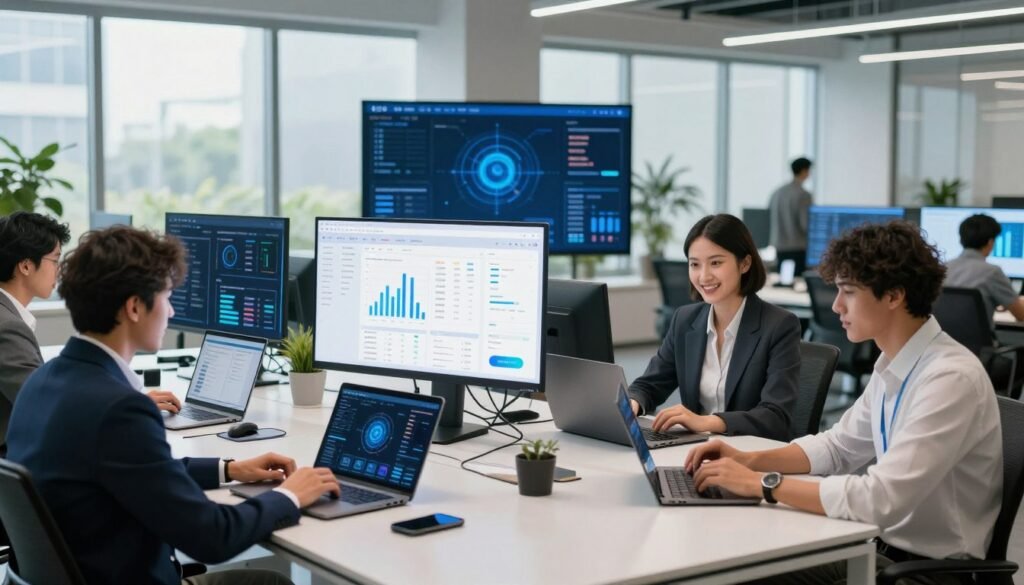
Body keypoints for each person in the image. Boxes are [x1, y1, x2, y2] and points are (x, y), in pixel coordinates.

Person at [6, 226, 341, 585]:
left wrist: (230, 469)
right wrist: (291, 495)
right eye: (166, 296)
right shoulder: (119, 410)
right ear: (134, 307)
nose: (171, 308)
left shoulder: (45, 380)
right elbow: (213, 538)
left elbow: (136, 469)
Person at [686, 221, 1002, 584]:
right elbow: (837, 447)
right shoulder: (893, 365)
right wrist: (746, 459)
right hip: (882, 549)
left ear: (894, 295)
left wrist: (761, 483)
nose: (836, 306)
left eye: (848, 292)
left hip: (930, 573)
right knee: (738, 565)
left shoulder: (949, 378)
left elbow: (880, 498)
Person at [0, 213, 181, 454]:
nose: (59, 270)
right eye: (54, 260)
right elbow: (45, 406)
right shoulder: (7, 326)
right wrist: (128, 405)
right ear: (25, 265)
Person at [628, 214, 801, 442]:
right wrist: (632, 404)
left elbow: (775, 416)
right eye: (694, 264)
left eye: (716, 263)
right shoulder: (684, 320)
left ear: (745, 264)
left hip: (751, 455)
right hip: (696, 451)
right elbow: (649, 384)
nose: (704, 276)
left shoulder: (779, 326)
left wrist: (706, 422)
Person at [944, 213, 1024, 329]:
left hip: (946, 344)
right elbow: (1021, 315)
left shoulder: (943, 268)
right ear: (990, 242)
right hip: (979, 346)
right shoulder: (992, 272)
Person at [768, 157, 813, 278]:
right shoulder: (804, 195)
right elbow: (805, 224)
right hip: (797, 248)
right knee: (797, 282)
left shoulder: (777, 192)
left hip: (780, 246)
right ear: (804, 171)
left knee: (783, 283)